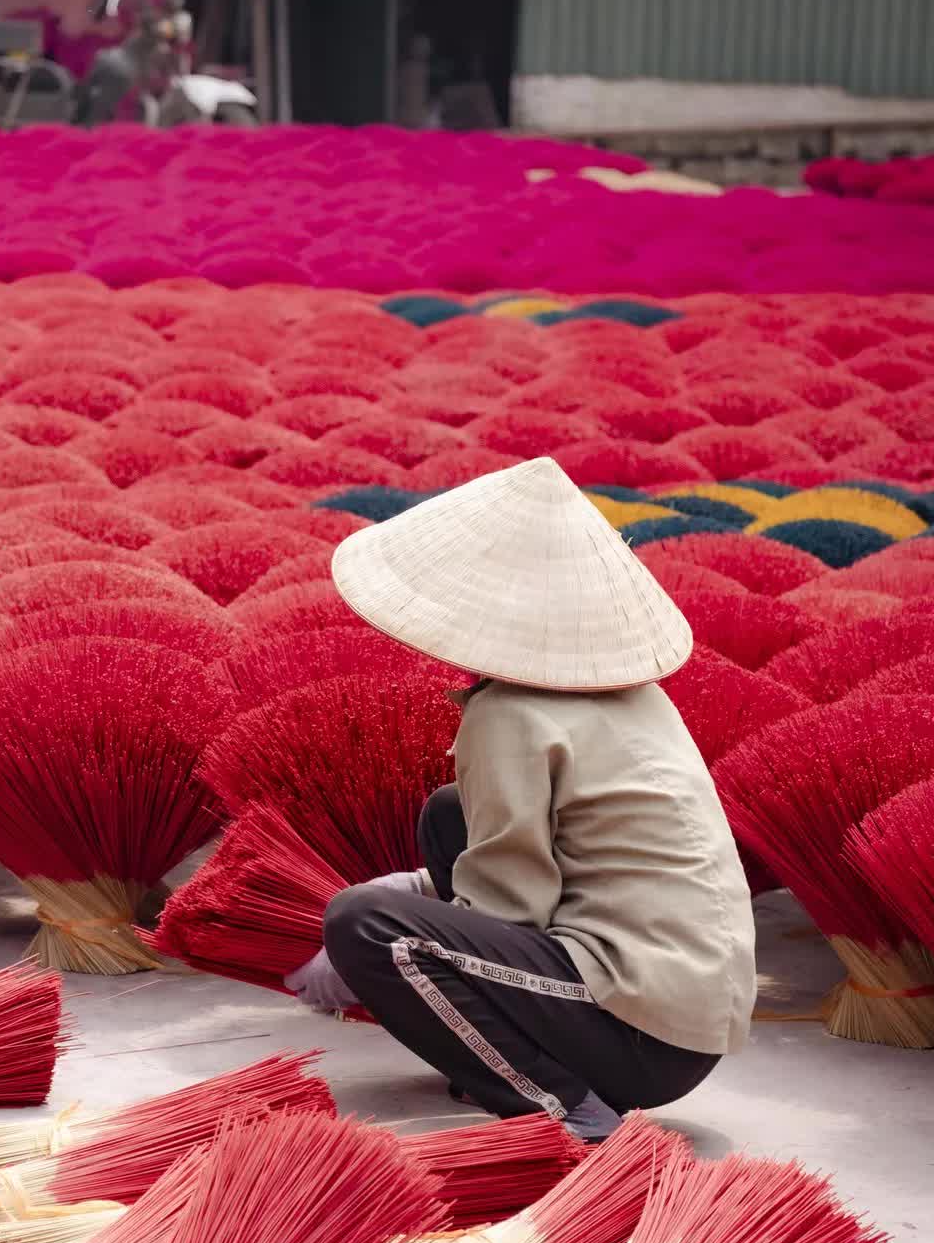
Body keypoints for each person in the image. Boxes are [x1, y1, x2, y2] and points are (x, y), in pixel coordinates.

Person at [285, 457, 755, 1142]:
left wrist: (383, 943)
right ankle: (515, 1049)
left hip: (643, 1034)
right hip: (689, 1015)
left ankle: (565, 1110)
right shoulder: (633, 693)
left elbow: (511, 909)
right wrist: (427, 887)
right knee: (450, 815)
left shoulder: (509, 714)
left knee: (366, 926)